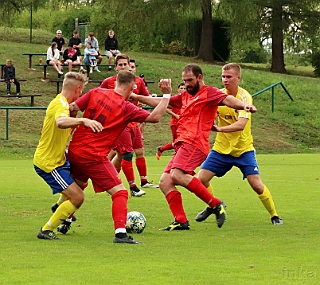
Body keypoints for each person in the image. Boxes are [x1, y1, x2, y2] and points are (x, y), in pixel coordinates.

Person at [129, 64, 257, 231]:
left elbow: (227, 100)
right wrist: (134, 96)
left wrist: (243, 106)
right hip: (183, 143)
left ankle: (216, 204)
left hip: (195, 143)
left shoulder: (209, 93)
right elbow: (161, 101)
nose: (187, 84)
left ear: (199, 77)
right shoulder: (184, 96)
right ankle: (181, 221)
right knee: (165, 182)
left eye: (190, 80)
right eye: (184, 81)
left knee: (176, 174)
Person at [67, 70, 172, 244]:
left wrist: (72, 128)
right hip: (93, 155)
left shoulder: (95, 92)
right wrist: (167, 94)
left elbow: (73, 108)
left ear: (115, 81)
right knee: (120, 192)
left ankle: (65, 218)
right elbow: (155, 117)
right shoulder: (125, 107)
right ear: (132, 87)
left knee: (78, 186)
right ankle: (121, 233)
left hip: (75, 149)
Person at [195, 63, 283, 226]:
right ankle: (214, 205)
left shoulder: (244, 98)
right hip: (221, 149)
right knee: (201, 179)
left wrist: (219, 129)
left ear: (238, 78)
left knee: (256, 185)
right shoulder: (219, 96)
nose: (225, 80)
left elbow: (241, 124)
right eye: (223, 76)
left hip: (243, 150)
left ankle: (274, 215)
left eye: (229, 77)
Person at [33, 72, 103, 240]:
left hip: (59, 159)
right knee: (78, 197)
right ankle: (46, 230)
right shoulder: (61, 105)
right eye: (82, 91)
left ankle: (59, 206)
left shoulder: (62, 103)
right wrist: (83, 121)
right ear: (78, 89)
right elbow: (60, 122)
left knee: (81, 177)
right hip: (49, 164)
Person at [101, 54, 158, 197]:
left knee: (131, 153)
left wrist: (145, 100)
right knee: (126, 153)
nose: (123, 67)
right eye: (119, 65)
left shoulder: (137, 81)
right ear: (115, 67)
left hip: (134, 122)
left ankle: (111, 183)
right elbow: (99, 97)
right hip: (119, 123)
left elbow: (147, 97)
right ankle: (133, 187)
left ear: (129, 65)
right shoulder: (108, 82)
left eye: (125, 64)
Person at [156, 82, 186, 160]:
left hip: (184, 124)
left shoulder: (187, 99)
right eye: (181, 88)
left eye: (184, 88)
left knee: (182, 142)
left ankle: (162, 149)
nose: (183, 90)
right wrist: (175, 115)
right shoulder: (175, 99)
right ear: (178, 89)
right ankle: (176, 159)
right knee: (177, 143)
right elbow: (164, 107)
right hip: (175, 123)